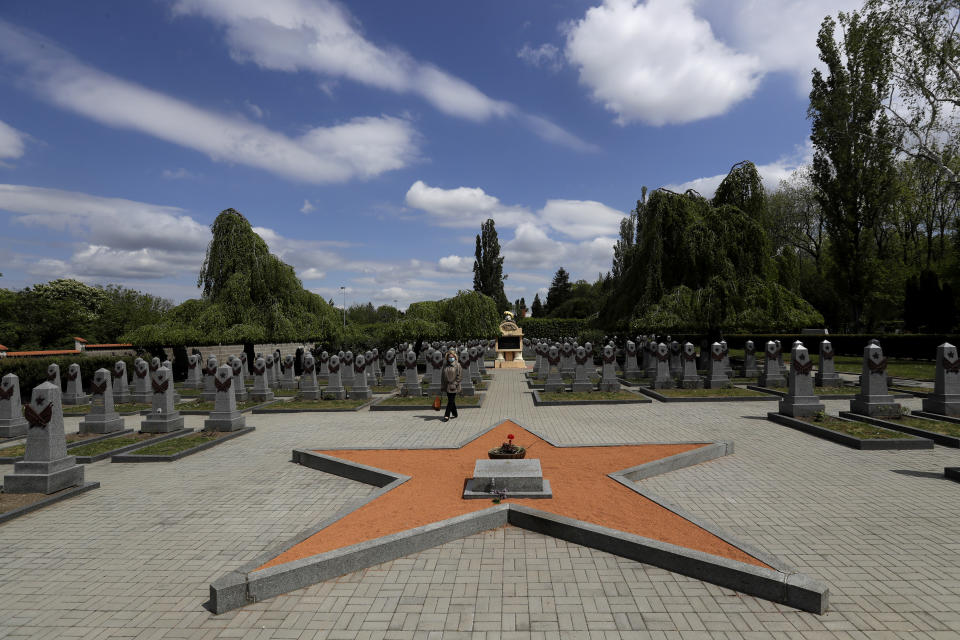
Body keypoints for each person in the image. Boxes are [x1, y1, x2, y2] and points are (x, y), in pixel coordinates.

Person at [441, 349, 462, 422]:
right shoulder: (445, 365)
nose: (451, 358)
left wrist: (456, 383)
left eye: (452, 357)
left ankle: (446, 415)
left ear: (455, 357)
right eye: (449, 357)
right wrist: (442, 386)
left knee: (450, 401)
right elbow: (442, 376)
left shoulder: (457, 365)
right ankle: (455, 413)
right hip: (447, 386)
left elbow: (459, 376)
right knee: (451, 401)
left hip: (454, 386)